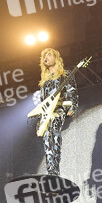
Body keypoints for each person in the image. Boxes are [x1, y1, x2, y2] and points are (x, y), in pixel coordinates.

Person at [36, 48, 79, 176]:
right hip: (46, 113)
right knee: (46, 138)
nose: (46, 57)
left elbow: (72, 91)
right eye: (44, 56)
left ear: (56, 57)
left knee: (54, 131)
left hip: (59, 108)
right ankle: (51, 170)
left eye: (49, 55)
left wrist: (72, 107)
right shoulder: (44, 81)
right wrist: (39, 123)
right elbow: (42, 102)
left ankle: (55, 169)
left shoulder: (65, 74)